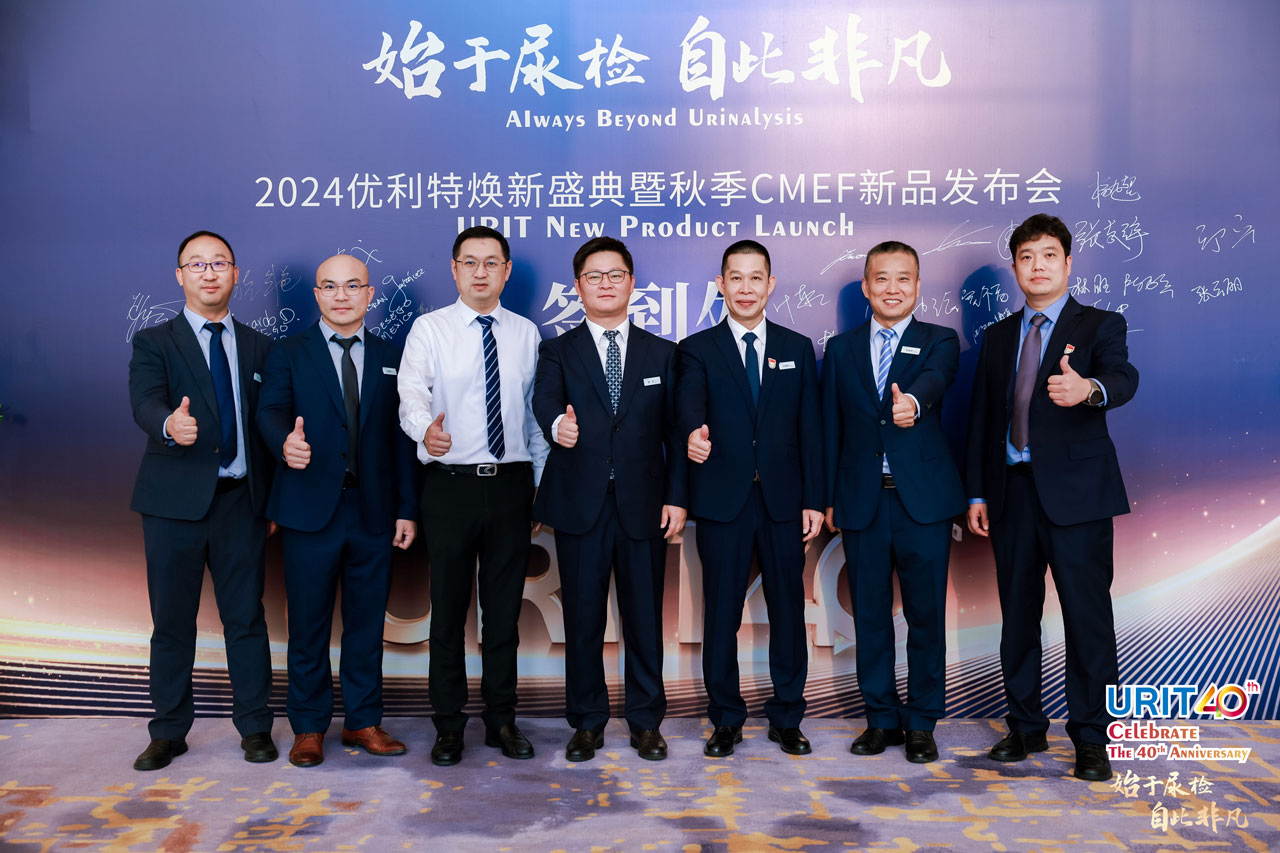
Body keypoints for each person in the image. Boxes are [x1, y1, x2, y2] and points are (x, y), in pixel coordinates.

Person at [965, 213, 1139, 782]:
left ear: (1067, 263)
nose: (1037, 266)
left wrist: (1089, 388)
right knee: (1017, 619)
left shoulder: (1100, 325)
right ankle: (1024, 727)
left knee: (1088, 620)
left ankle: (1092, 738)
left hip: (1078, 499)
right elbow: (981, 419)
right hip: (1011, 494)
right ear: (1015, 267)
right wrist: (977, 492)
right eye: (1026, 257)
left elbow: (1123, 378)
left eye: (1048, 256)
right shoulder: (997, 337)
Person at [257, 254, 420, 767]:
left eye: (352, 286)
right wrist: (284, 443)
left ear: (370, 294)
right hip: (309, 511)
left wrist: (407, 508)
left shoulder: (394, 356)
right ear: (317, 295)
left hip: (374, 512)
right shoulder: (288, 352)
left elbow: (403, 438)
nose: (341, 295)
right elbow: (270, 410)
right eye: (329, 286)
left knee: (367, 626)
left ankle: (363, 721)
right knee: (308, 626)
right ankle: (308, 727)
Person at [398, 226, 550, 766]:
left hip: (511, 485)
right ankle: (448, 725)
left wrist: (539, 482)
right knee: (447, 616)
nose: (480, 272)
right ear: (454, 269)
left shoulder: (527, 334)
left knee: (503, 616)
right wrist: (425, 432)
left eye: (491, 262)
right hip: (450, 485)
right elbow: (411, 393)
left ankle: (501, 720)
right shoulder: (429, 329)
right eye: (469, 262)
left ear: (506, 271)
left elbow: (534, 416)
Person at [532, 237, 687, 762]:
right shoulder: (557, 350)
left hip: (645, 506)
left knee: (644, 619)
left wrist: (677, 497)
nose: (605, 284)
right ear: (578, 287)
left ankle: (646, 722)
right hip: (582, 505)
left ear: (631, 283)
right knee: (583, 620)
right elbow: (544, 402)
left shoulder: (663, 353)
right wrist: (557, 426)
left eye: (615, 274)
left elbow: (676, 432)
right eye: (594, 276)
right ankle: (587, 722)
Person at [128, 230, 276, 770]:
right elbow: (145, 401)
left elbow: (268, 423)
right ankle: (168, 731)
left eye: (219, 263)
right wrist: (170, 424)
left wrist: (271, 501)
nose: (209, 273)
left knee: (246, 619)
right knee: (172, 622)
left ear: (236, 274)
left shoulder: (261, 346)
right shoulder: (154, 341)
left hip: (241, 503)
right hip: (173, 506)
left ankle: (255, 727)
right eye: (197, 264)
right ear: (180, 276)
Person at [676, 239, 824, 757]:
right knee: (721, 614)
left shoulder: (796, 347)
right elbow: (688, 406)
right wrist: (692, 433)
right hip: (723, 500)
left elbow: (811, 428)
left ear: (770, 284)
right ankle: (725, 719)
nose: (745, 288)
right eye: (735, 278)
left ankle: (788, 717)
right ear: (721, 285)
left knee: (788, 611)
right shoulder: (697, 348)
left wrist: (814, 498)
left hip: (784, 502)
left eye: (755, 277)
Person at [821, 241, 965, 764]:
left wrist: (914, 403)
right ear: (866, 287)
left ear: (918, 286)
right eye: (881, 278)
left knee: (926, 617)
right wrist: (828, 498)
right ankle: (880, 718)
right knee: (871, 617)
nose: (892, 288)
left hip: (921, 503)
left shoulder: (940, 339)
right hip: (861, 502)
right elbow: (829, 427)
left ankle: (922, 722)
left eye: (904, 278)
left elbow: (936, 379)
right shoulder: (841, 349)